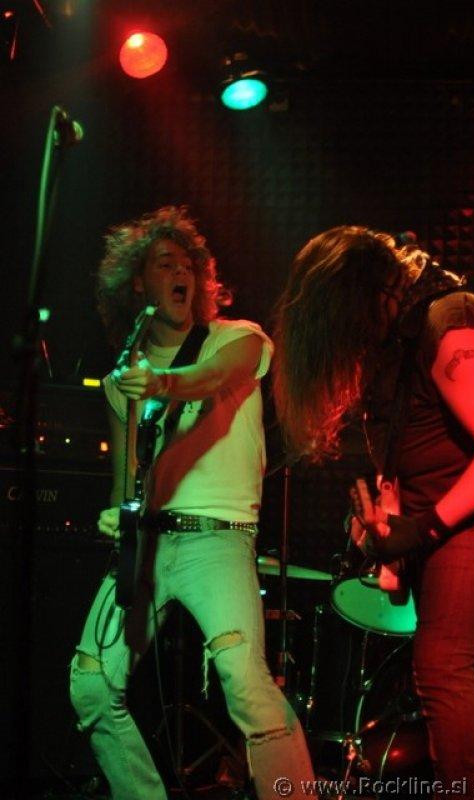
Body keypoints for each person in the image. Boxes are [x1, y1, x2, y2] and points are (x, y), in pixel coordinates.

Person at [273, 226, 474, 797]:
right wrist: (386, 530)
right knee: (458, 665)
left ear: (361, 296)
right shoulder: (398, 340)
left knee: (441, 661)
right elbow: (413, 450)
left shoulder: (451, 321)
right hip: (444, 517)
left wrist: (421, 528)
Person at [69, 206, 314, 800]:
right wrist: (115, 514)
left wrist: (162, 383)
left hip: (218, 539)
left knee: (245, 684)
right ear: (137, 284)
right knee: (91, 686)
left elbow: (208, 379)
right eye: (165, 264)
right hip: (149, 544)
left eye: (189, 265)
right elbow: (127, 483)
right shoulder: (121, 380)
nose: (182, 273)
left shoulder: (239, 338)